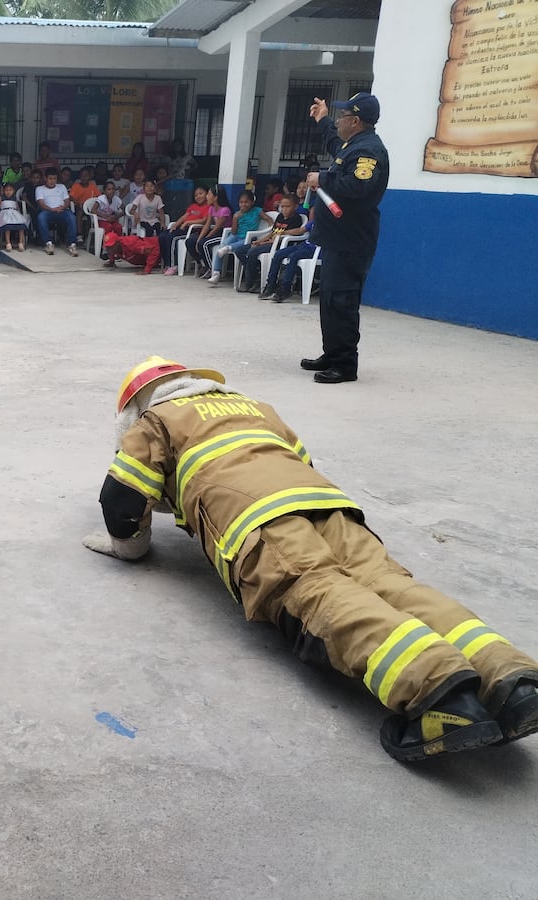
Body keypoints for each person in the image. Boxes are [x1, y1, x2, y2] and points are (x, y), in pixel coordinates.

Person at [83, 356, 538, 761]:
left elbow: (122, 501)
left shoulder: (155, 420)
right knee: (389, 583)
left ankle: (439, 697)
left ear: (134, 406)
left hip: (256, 518)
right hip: (326, 503)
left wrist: (126, 547)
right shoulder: (256, 407)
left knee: (318, 592)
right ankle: (513, 680)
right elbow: (301, 459)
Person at [302, 92, 390, 385]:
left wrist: (322, 179)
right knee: (329, 300)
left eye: (341, 117)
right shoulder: (353, 146)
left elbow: (356, 187)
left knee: (342, 301)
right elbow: (335, 143)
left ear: (354, 121)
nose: (338, 121)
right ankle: (332, 353)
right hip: (337, 240)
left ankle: (345, 365)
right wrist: (323, 119)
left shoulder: (369, 152)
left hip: (351, 241)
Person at [234, 193, 305, 292]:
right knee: (239, 250)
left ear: (295, 206)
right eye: (282, 206)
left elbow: (291, 233)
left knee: (252, 252)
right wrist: (259, 241)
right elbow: (273, 232)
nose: (284, 209)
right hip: (268, 242)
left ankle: (250, 282)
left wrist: (265, 242)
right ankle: (256, 274)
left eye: (288, 206)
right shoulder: (280, 216)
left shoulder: (296, 218)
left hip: (278, 246)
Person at [207, 190, 268, 285]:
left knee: (237, 245)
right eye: (241, 202)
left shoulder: (257, 210)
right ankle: (216, 272)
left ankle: (229, 248)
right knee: (221, 246)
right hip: (236, 235)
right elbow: (234, 231)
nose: (243, 204)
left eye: (246, 202)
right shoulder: (238, 214)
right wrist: (235, 218)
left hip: (248, 237)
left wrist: (271, 228)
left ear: (252, 202)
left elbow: (269, 219)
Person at [158, 185, 210, 275]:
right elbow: (184, 217)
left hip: (193, 230)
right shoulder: (193, 206)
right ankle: (167, 263)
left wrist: (187, 223)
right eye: (196, 195)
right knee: (162, 236)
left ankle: (174, 265)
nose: (198, 196)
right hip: (183, 227)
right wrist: (175, 225)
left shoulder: (208, 207)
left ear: (207, 194)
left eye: (201, 193)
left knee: (172, 238)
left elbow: (204, 221)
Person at [185, 186, 230, 277]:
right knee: (190, 241)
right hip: (214, 231)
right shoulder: (212, 208)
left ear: (216, 197)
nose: (207, 196)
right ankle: (202, 263)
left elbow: (217, 228)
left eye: (209, 194)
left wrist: (205, 238)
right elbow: (207, 225)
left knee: (204, 244)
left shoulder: (225, 210)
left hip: (224, 234)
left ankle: (211, 268)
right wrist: (199, 239)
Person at [35, 168, 77, 257]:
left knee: (72, 217)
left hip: (62, 210)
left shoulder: (62, 187)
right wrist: (52, 209)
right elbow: (41, 203)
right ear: (45, 178)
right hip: (48, 212)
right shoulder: (40, 189)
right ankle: (48, 243)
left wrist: (63, 207)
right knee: (41, 217)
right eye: (50, 178)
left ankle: (72, 244)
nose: (52, 181)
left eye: (54, 179)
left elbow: (67, 200)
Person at [0, 181, 27, 252]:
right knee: (7, 224)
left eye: (10, 190)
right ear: (3, 191)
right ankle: (8, 243)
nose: (8, 192)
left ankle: (20, 242)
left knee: (21, 224)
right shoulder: (1, 198)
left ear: (13, 191)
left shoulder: (14, 198)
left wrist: (19, 215)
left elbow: (17, 208)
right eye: (6, 190)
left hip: (14, 213)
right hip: (5, 213)